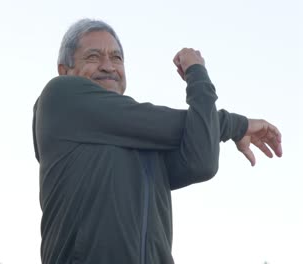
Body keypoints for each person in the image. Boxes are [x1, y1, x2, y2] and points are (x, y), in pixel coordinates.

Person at [32, 19, 282, 264]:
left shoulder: (145, 138)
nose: (108, 66)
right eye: (93, 56)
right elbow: (172, 124)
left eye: (116, 58)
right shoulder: (60, 96)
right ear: (65, 70)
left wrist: (209, 102)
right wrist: (234, 122)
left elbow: (202, 160)